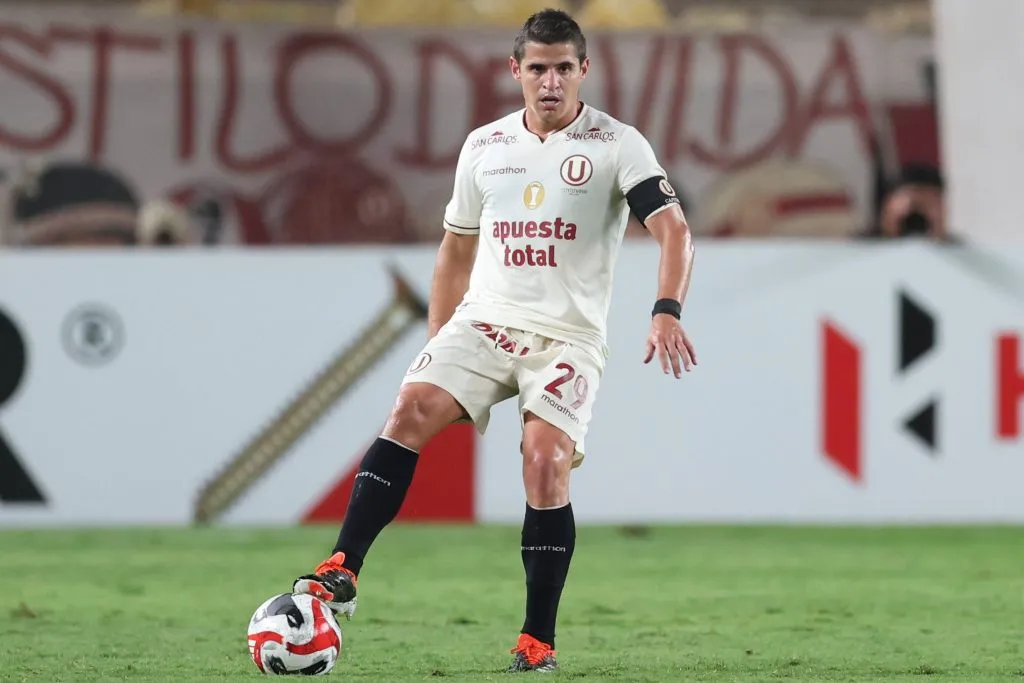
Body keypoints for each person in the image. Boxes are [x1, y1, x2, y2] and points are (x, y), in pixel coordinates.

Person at [291, 8, 697, 672]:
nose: (550, 81)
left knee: (544, 462)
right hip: (484, 321)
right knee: (408, 407)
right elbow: (455, 252)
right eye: (537, 68)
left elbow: (674, 229)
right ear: (516, 72)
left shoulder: (618, 144)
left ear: (584, 71)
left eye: (564, 67)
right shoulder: (484, 147)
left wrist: (666, 308)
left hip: (566, 338)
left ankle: (537, 637)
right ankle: (343, 567)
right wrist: (437, 343)